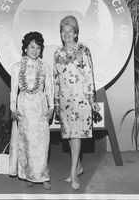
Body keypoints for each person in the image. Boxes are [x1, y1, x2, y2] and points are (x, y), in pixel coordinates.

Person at [53, 15, 100, 190]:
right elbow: (56, 79)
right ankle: (79, 167)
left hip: (81, 100)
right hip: (65, 101)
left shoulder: (84, 51)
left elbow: (89, 76)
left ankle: (73, 173)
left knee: (76, 135)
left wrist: (92, 100)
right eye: (63, 31)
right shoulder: (57, 53)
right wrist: (56, 103)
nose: (66, 34)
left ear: (76, 33)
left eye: (70, 31)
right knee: (70, 136)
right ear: (61, 34)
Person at [9, 31, 54, 190]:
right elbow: (14, 90)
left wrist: (51, 107)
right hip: (24, 110)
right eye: (32, 47)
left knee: (42, 144)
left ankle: (43, 176)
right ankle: (30, 175)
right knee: (27, 144)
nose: (35, 50)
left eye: (38, 47)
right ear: (26, 48)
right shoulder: (16, 67)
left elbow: (49, 88)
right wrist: (12, 108)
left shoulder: (45, 66)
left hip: (40, 108)